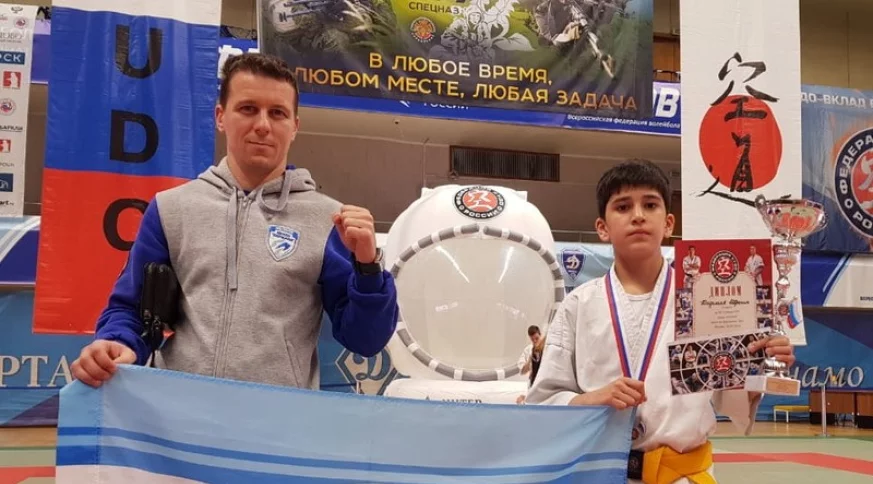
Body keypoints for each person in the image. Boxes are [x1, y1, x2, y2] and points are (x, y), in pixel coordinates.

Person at [71, 53, 399, 390]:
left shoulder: (328, 221)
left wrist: (367, 268)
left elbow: (366, 340)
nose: (263, 125)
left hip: (275, 414)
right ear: (220, 116)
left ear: (294, 126)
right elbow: (131, 309)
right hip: (178, 407)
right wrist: (118, 343)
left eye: (278, 113)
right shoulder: (172, 209)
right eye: (248, 108)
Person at [525, 159, 795, 484]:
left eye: (650, 205)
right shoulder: (578, 305)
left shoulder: (704, 297)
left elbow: (730, 396)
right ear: (602, 227)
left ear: (668, 223)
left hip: (681, 475)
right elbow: (544, 401)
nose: (638, 215)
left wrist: (761, 362)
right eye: (623, 207)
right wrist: (590, 399)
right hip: (599, 473)